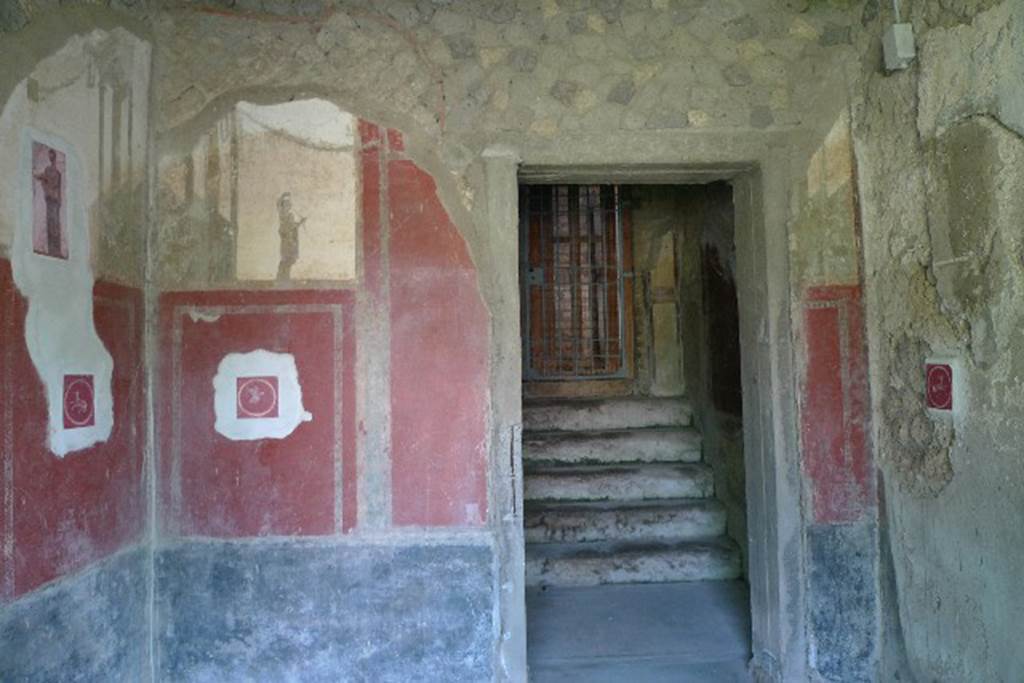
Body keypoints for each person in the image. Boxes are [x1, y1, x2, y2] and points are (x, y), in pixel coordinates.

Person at [34, 148, 63, 257]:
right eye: (50, 156)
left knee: (55, 224)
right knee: (51, 223)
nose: (51, 158)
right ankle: (52, 250)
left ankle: (56, 250)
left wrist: (59, 200)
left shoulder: (56, 172)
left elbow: (58, 187)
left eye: (52, 156)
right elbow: (41, 177)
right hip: (50, 200)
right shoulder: (48, 170)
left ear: (54, 157)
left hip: (54, 200)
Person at [276, 192, 306, 279]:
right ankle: (282, 277)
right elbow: (290, 226)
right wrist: (283, 196)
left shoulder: (288, 215)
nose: (289, 205)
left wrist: (300, 222)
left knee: (289, 259)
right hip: (287, 238)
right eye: (286, 204)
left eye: (289, 204)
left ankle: (284, 277)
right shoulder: (283, 214)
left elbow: (293, 226)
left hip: (291, 238)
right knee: (286, 258)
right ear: (284, 205)